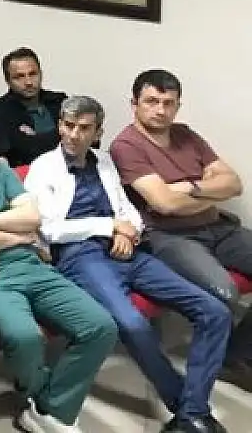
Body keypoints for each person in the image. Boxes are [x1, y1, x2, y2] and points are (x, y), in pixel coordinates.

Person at [26, 95, 231, 433]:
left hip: (128, 251)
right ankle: (189, 410)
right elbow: (49, 229)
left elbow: (127, 210)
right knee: (133, 325)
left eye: (84, 128)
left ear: (97, 132)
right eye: (68, 125)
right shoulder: (43, 167)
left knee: (215, 311)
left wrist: (129, 232)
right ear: (59, 125)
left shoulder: (105, 162)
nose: (74, 134)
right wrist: (109, 226)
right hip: (80, 256)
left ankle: (191, 412)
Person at [0, 111, 116, 432]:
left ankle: (46, 408)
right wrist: (11, 231)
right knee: (24, 337)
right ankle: (45, 403)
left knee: (101, 326)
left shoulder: (1, 171)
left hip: (30, 264)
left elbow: (32, 219)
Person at [109, 69, 252, 383]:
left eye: (168, 103)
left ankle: (237, 355)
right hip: (170, 236)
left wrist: (189, 188)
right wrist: (209, 191)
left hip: (218, 227)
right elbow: (164, 204)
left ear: (177, 105)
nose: (160, 110)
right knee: (225, 293)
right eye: (151, 101)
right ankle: (219, 364)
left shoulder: (186, 134)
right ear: (134, 104)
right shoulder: (126, 145)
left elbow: (234, 183)